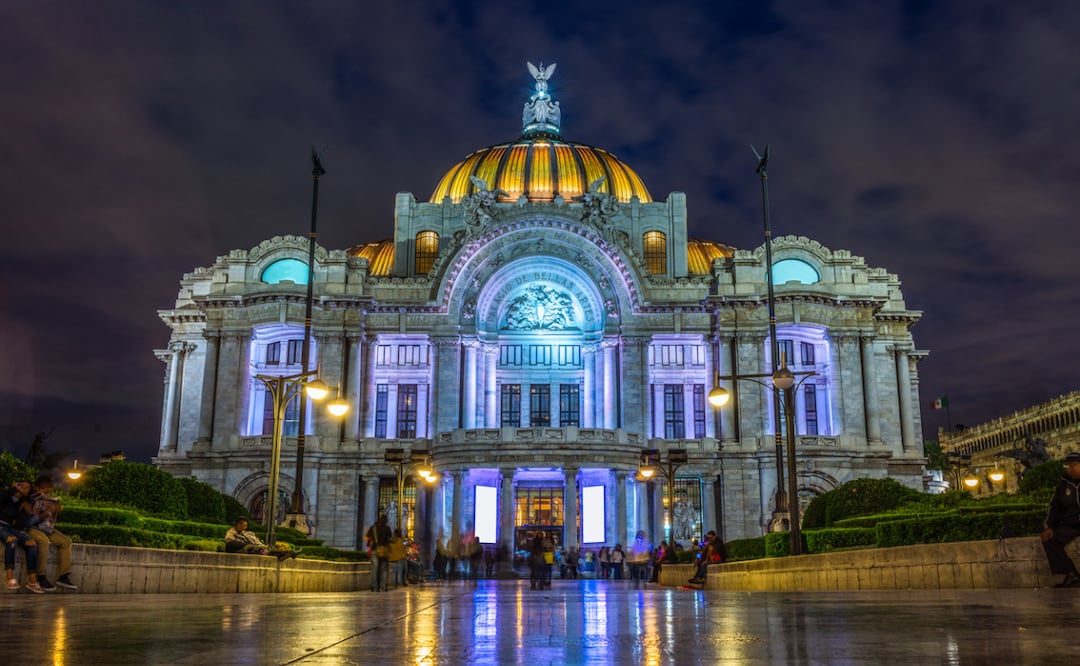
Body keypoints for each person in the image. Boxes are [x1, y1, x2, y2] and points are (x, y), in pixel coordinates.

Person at [25, 475, 77, 591]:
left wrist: (56, 509)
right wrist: (48, 511)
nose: (47, 494)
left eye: (49, 491)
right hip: (33, 528)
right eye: (45, 491)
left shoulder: (49, 499)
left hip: (47, 528)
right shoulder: (30, 499)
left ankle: (64, 576)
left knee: (65, 541)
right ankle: (41, 576)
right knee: (43, 541)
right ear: (37, 488)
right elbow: (29, 520)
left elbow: (52, 519)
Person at [1041, 452, 1080, 587]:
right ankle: (1070, 573)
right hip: (1070, 525)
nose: (1070, 469)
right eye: (1068, 466)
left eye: (1074, 465)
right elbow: (1054, 506)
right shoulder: (1063, 484)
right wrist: (1049, 526)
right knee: (1049, 539)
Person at [1, 481, 45, 593]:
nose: (23, 488)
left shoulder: (23, 503)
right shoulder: (5, 494)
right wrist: (12, 489)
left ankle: (32, 581)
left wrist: (26, 509)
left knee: (31, 543)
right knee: (12, 540)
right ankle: (10, 577)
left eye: (26, 488)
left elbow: (20, 524)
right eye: (21, 485)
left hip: (12, 527)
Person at [225, 518, 298, 561]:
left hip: (252, 548)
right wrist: (247, 545)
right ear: (239, 524)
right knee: (264, 550)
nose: (245, 528)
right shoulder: (231, 533)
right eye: (244, 526)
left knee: (270, 548)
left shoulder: (244, 533)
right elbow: (230, 543)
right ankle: (286, 554)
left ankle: (286, 554)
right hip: (246, 549)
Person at [365, 514, 392, 591]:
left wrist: (372, 540)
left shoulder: (373, 528)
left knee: (375, 569)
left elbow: (367, 537)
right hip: (384, 551)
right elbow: (390, 540)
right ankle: (383, 587)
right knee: (384, 569)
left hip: (374, 549)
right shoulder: (387, 529)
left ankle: (374, 587)